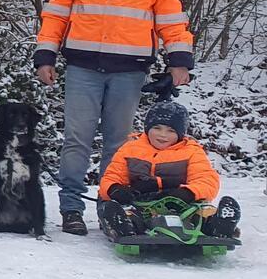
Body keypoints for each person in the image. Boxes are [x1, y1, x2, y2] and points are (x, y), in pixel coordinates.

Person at [36, 0, 195, 235]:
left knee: (119, 144)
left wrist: (179, 60)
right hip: (82, 68)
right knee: (76, 139)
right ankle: (71, 210)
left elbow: (171, 21)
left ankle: (112, 208)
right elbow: (55, 17)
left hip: (130, 70)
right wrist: (45, 56)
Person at [98, 100, 240, 238]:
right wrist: (114, 189)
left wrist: (189, 192)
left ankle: (217, 225)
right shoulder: (130, 149)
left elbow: (206, 179)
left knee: (202, 211)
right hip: (140, 202)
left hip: (180, 203)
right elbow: (111, 176)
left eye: (171, 130)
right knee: (122, 210)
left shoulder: (191, 151)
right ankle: (125, 227)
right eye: (157, 128)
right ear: (147, 129)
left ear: (180, 133)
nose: (163, 135)